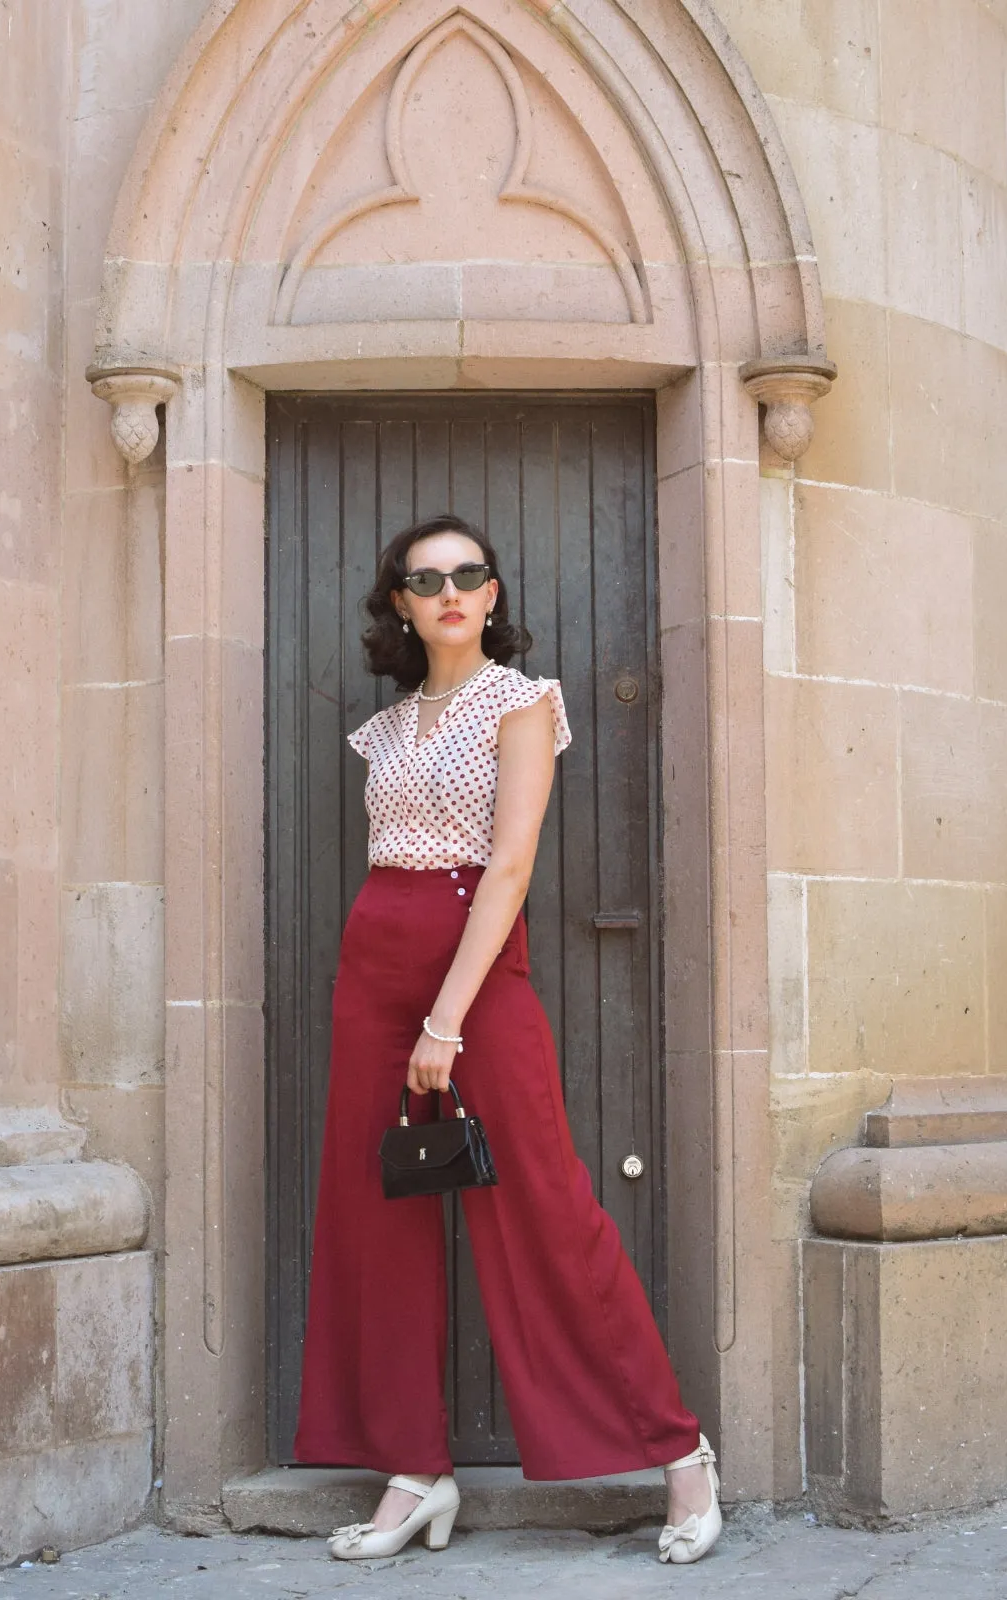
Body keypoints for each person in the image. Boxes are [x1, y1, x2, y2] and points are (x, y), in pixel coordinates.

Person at [294, 513, 721, 1567]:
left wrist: (446, 1015)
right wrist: (401, 998)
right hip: (376, 954)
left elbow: (512, 865)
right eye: (425, 577)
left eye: (468, 574)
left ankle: (681, 1452)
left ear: (493, 595)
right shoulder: (385, 729)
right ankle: (415, 1467)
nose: (449, 590)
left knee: (546, 1204)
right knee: (376, 1208)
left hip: (474, 965)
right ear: (399, 600)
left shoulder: (521, 703)